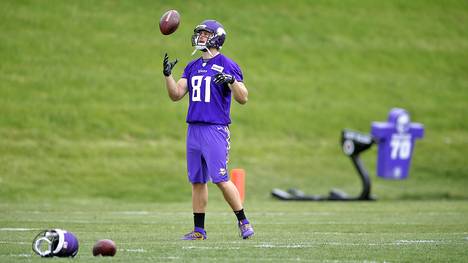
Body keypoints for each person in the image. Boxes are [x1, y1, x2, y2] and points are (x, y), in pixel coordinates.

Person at [162, 19, 254, 240]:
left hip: (215, 129)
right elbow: (176, 95)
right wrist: (167, 76)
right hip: (194, 129)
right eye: (200, 33)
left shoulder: (227, 64)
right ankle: (199, 230)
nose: (201, 36)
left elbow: (243, 98)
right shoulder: (192, 66)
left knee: (221, 179)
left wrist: (232, 81)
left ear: (216, 37)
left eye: (205, 33)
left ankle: (243, 221)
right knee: (197, 181)